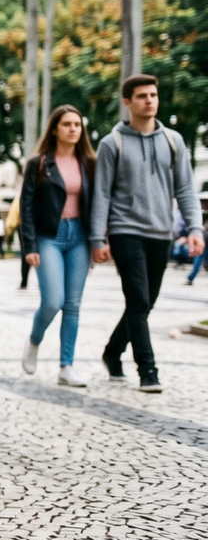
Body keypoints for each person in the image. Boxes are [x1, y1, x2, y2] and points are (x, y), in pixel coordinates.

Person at [90, 74, 204, 392]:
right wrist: (98, 238)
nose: (149, 100)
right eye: (141, 96)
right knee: (138, 299)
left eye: (153, 95)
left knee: (145, 302)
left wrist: (195, 228)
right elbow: (102, 194)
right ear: (127, 102)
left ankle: (112, 352)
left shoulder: (173, 141)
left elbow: (185, 189)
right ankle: (147, 370)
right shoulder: (112, 143)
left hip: (162, 233)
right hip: (127, 231)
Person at [18, 104, 96, 387]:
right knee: (53, 301)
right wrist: (29, 246)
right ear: (55, 128)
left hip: (80, 237)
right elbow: (26, 207)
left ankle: (66, 366)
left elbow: (98, 205)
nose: (73, 129)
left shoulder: (89, 163)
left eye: (77, 124)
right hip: (48, 236)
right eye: (67, 124)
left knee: (73, 305)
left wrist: (100, 240)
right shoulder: (38, 163)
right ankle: (34, 341)